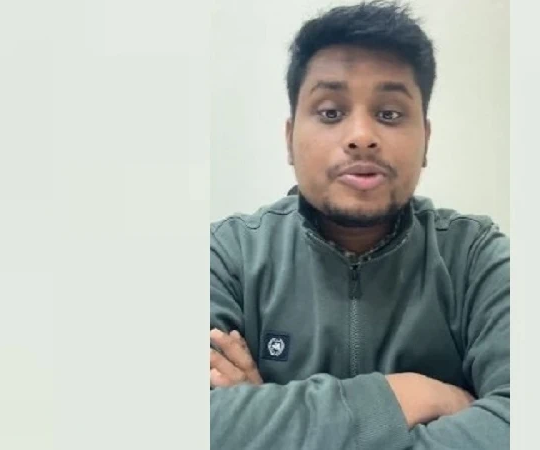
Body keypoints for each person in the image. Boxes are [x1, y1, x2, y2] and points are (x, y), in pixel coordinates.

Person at [209, 2, 509, 449]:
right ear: (289, 139)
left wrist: (267, 422)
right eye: (331, 112)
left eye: (389, 114)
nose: (362, 137)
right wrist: (410, 395)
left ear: (426, 140)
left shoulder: (475, 257)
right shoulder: (228, 255)